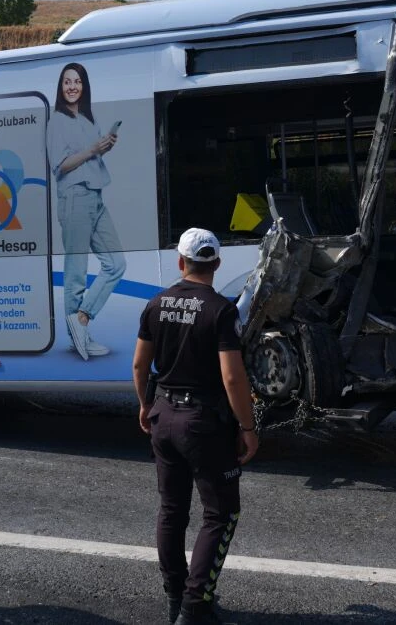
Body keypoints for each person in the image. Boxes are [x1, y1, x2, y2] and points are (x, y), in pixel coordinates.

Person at [133, 228, 259, 625]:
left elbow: (139, 365)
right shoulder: (222, 310)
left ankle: (176, 598)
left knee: (172, 510)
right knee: (221, 513)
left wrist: (145, 405)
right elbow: (233, 378)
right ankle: (194, 607)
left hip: (163, 416)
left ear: (180, 262)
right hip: (203, 424)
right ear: (216, 264)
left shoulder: (155, 304)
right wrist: (248, 427)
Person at [47, 62, 126, 360]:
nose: (72, 87)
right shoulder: (56, 121)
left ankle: (81, 319)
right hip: (74, 198)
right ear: (61, 87)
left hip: (95, 196)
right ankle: (77, 334)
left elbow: (90, 156)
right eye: (67, 82)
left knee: (116, 264)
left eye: (77, 81)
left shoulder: (86, 118)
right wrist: (93, 149)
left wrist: (104, 146)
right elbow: (60, 166)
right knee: (76, 271)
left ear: (84, 86)